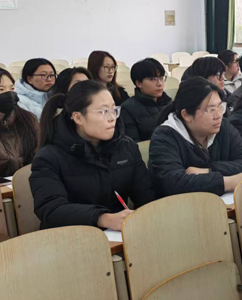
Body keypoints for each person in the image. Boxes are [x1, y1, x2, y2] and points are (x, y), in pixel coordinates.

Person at [31, 81, 155, 231]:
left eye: (114, 110)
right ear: (78, 118)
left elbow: (147, 196)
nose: (112, 118)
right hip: (70, 237)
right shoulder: (49, 157)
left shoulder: (126, 147)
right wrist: (102, 218)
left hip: (117, 235)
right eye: (104, 112)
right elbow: (51, 209)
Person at [149, 77, 242, 197]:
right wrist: (229, 182)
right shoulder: (164, 137)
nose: (218, 115)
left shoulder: (223, 126)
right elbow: (175, 183)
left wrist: (209, 170)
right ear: (186, 115)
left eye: (220, 107)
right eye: (210, 110)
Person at [121, 58, 172, 141]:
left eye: (161, 78)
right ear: (139, 83)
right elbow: (133, 144)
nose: (159, 84)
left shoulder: (169, 103)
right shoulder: (127, 109)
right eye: (153, 79)